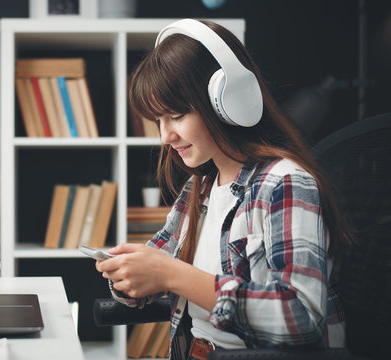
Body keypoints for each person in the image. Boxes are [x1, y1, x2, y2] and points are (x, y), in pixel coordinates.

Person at [94, 19, 351, 360]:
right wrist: (127, 274)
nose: (164, 136)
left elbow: (300, 318)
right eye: (159, 121)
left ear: (225, 99)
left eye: (175, 115)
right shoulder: (199, 188)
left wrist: (172, 274)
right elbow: (149, 279)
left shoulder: (285, 183)